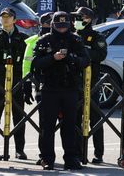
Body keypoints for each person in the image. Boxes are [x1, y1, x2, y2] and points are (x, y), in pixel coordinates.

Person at [33, 12, 89, 170]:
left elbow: (85, 61)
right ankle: (46, 158)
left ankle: (71, 158)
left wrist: (70, 58)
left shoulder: (76, 40)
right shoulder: (44, 41)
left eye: (65, 26)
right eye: (59, 26)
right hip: (50, 88)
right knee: (47, 126)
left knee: (70, 125)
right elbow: (36, 63)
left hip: (70, 87)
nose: (62, 29)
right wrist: (53, 58)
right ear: (52, 25)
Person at [72, 7, 107, 164]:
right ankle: (79, 153)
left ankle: (98, 153)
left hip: (91, 82)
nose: (78, 20)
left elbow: (100, 55)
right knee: (75, 119)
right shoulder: (71, 35)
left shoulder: (95, 36)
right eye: (77, 17)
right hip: (74, 82)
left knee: (95, 118)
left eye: (81, 17)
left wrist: (83, 51)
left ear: (89, 19)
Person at [0, 8, 29, 160]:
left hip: (17, 82)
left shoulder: (23, 38)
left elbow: (28, 62)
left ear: (14, 20)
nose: (5, 19)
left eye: (8, 17)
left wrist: (27, 85)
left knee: (19, 116)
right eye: (3, 17)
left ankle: (19, 149)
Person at [23, 12, 52, 165]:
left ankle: (75, 154)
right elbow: (27, 64)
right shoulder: (34, 41)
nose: (50, 26)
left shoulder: (67, 38)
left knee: (70, 123)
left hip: (66, 86)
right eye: (48, 23)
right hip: (42, 85)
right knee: (45, 124)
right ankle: (44, 155)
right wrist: (27, 84)